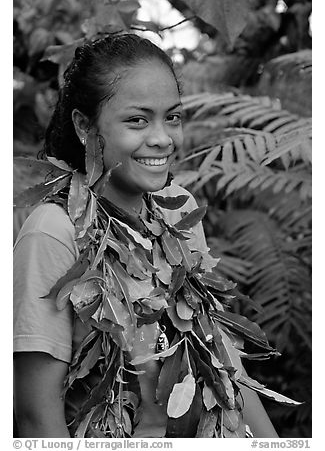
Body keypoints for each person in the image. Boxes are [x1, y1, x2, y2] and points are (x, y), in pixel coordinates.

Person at [13, 34, 279, 438]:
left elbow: (222, 359)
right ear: (85, 126)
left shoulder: (179, 209)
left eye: (171, 117)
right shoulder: (56, 231)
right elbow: (36, 415)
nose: (162, 138)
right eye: (137, 120)